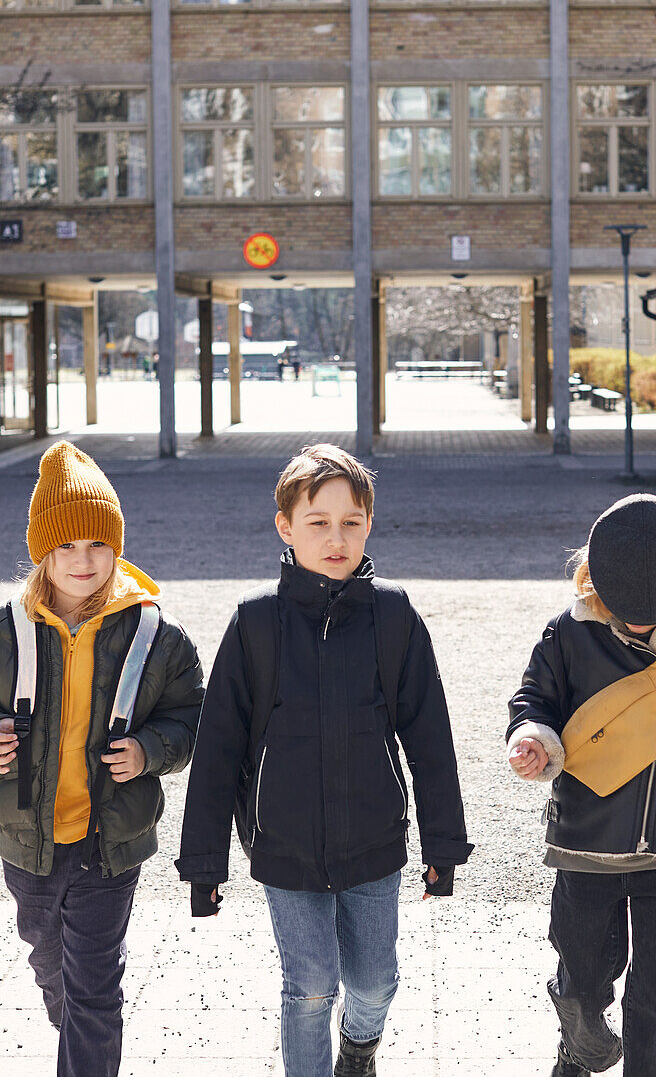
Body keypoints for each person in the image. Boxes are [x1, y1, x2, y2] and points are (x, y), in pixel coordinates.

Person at [176, 442, 473, 1077]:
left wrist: (443, 847)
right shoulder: (255, 621)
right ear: (286, 527)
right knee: (310, 987)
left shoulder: (394, 616)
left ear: (369, 523)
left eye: (351, 522)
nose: (335, 538)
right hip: (283, 845)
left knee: (372, 984)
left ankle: (359, 1050)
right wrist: (205, 862)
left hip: (374, 840)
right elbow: (218, 749)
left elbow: (431, 740)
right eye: (317, 523)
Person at [506, 493, 656, 1077]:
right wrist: (533, 738)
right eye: (623, 602)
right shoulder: (568, 632)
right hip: (585, 838)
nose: (638, 616)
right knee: (579, 981)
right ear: (594, 577)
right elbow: (535, 700)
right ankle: (582, 1045)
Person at [0, 441, 204, 1077]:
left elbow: (190, 716)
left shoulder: (157, 635)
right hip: (24, 836)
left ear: (116, 548)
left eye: (97, 546)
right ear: (43, 551)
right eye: (66, 546)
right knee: (46, 955)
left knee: (94, 984)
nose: (83, 561)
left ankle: (84, 1050)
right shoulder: (7, 630)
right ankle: (74, 1026)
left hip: (109, 839)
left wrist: (150, 750)